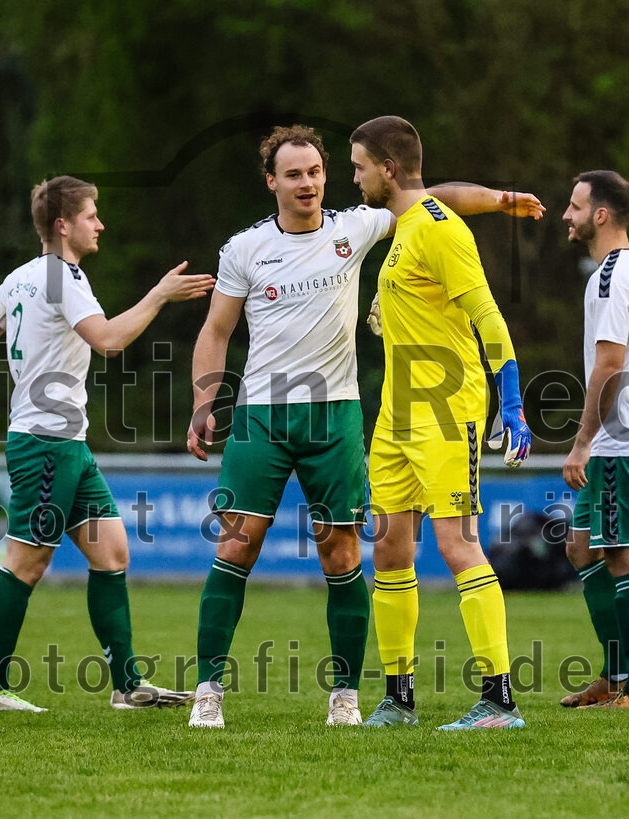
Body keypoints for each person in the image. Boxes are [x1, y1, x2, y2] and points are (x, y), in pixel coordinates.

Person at [185, 124, 544, 729]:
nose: (314, 183)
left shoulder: (366, 225)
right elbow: (216, 331)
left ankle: (372, 696)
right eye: (295, 174)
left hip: (356, 414)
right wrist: (204, 403)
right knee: (257, 543)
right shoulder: (247, 248)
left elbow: (440, 200)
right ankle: (218, 690)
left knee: (353, 549)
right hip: (280, 417)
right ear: (271, 182)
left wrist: (501, 199)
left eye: (322, 171)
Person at [0, 175, 213, 712]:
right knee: (26, 563)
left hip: (67, 446)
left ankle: (126, 685)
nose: (100, 224)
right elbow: (108, 340)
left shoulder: (20, 278)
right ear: (64, 225)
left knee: (111, 552)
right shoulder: (65, 279)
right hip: (45, 445)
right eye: (92, 215)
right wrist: (158, 295)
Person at [349, 116, 533, 731]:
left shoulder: (439, 230)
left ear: (389, 169)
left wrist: (512, 402)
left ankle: (500, 702)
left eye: (358, 167)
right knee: (389, 549)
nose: (354, 179)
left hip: (447, 410)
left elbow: (489, 316)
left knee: (458, 545)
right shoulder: (404, 227)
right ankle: (398, 699)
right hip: (396, 416)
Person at [561, 169, 629, 709]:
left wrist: (583, 441)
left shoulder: (609, 276)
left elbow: (609, 364)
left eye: (575, 206)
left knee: (627, 559)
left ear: (600, 215)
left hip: (623, 438)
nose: (567, 215)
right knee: (581, 546)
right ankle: (614, 675)